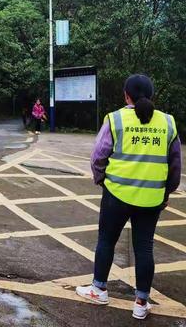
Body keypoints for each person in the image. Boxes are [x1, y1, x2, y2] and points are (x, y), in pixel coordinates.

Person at [76, 74, 182, 320]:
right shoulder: (168, 123)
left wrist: (101, 179)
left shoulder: (115, 119)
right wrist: (166, 192)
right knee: (144, 248)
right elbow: (175, 164)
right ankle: (141, 303)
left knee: (106, 241)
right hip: (151, 199)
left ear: (126, 95)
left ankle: (99, 289)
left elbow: (98, 157)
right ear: (151, 95)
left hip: (116, 195)